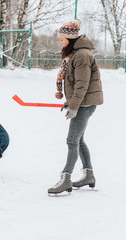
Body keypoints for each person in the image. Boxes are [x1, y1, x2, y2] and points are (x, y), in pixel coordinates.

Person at [48, 19, 103, 194]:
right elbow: (78, 84)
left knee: (72, 141)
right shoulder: (77, 54)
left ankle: (66, 179)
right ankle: (88, 175)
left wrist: (74, 105)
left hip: (84, 105)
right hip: (83, 102)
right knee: (78, 141)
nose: (60, 42)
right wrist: (70, 101)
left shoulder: (82, 55)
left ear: (70, 39)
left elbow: (82, 84)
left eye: (62, 39)